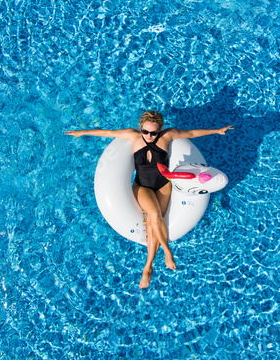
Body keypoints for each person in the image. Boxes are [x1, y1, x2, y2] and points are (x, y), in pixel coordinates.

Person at [66, 111, 233, 289]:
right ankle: (167, 252)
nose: (149, 136)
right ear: (141, 128)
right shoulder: (133, 136)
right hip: (142, 186)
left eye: (153, 133)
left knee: (155, 221)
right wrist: (82, 132)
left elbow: (191, 133)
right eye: (145, 132)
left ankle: (149, 266)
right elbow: (108, 132)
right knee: (153, 213)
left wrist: (217, 131)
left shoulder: (167, 136)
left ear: (160, 129)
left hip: (163, 186)